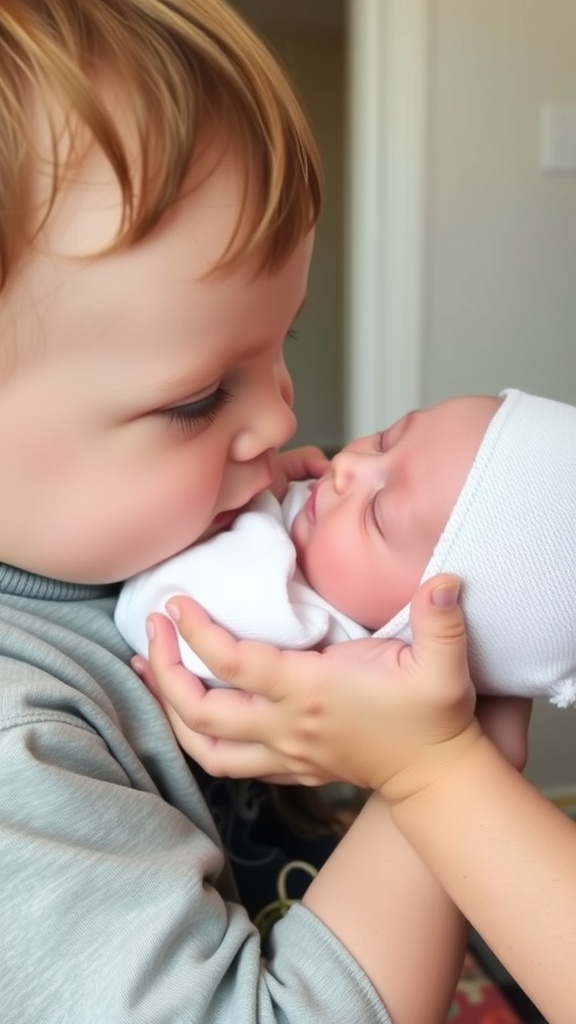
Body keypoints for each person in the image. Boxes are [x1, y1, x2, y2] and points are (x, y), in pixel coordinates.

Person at [0, 3, 532, 1022]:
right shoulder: (19, 750)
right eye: (197, 398)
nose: (282, 417)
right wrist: (431, 766)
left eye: (281, 340)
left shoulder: (134, 547)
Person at [118, 387, 576, 709]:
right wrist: (266, 487)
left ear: (409, 629)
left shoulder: (296, 626)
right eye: (385, 440)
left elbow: (157, 606)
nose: (349, 465)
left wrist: (248, 502)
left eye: (378, 512)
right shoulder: (314, 537)